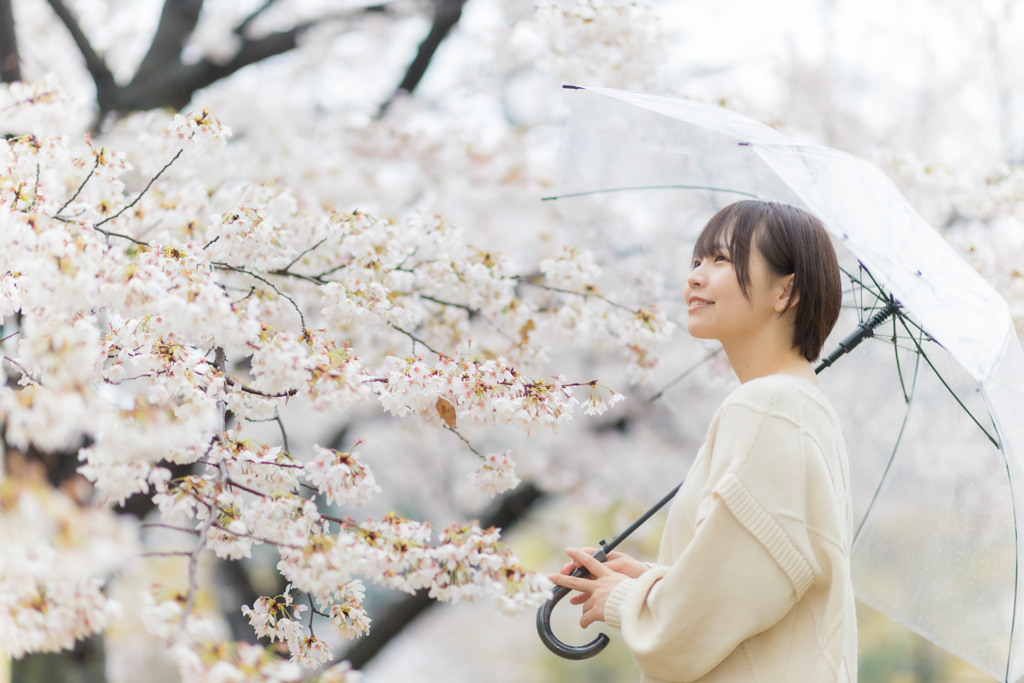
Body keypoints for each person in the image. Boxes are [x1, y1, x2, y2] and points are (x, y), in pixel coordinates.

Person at [548, 200, 856, 682]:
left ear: (786, 291)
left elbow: (708, 616)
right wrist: (654, 582)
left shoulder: (768, 406)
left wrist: (630, 601)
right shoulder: (797, 407)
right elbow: (757, 580)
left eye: (722, 260)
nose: (695, 277)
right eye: (696, 260)